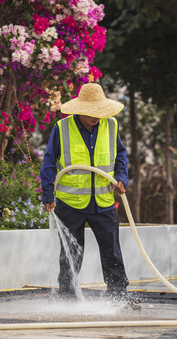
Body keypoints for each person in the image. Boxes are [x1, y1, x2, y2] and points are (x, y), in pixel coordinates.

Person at [40, 83, 130, 301]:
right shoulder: (61, 128)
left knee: (112, 253)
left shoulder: (111, 125)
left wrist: (121, 179)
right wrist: (48, 194)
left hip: (103, 201)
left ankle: (118, 295)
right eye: (92, 113)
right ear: (80, 110)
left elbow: (120, 155)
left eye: (100, 112)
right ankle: (67, 297)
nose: (97, 117)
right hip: (70, 204)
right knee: (70, 253)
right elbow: (49, 162)